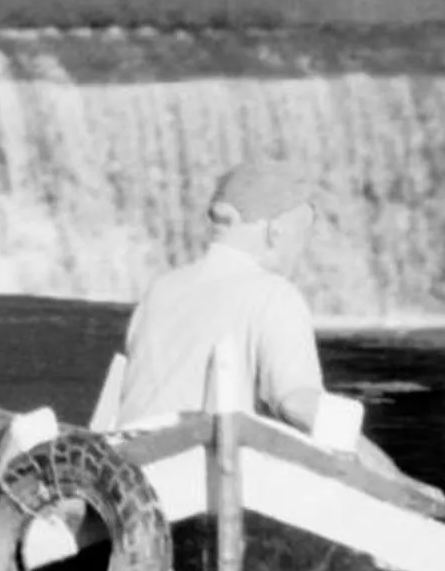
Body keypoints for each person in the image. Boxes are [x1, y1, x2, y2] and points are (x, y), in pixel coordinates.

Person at [111, 158, 424, 483]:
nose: (300, 253)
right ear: (277, 231)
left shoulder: (160, 291)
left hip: (128, 480)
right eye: (303, 237)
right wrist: (395, 478)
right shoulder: (274, 294)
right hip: (204, 479)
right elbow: (299, 403)